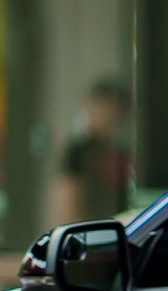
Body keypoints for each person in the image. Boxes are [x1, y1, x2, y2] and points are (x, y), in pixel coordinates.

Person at [54, 79, 132, 225]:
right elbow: (68, 204)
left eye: (115, 113)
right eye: (104, 111)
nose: (110, 119)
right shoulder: (78, 152)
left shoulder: (122, 153)